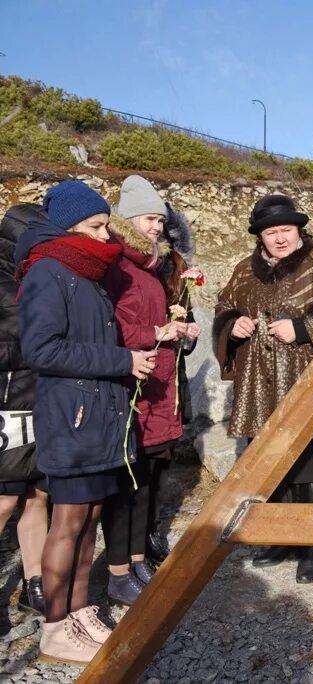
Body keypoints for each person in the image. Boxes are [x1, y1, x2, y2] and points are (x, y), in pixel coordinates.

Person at [16, 180, 157, 663]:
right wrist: (122, 361)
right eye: (97, 227)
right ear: (70, 225)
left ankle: (79, 613)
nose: (105, 237)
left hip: (100, 417)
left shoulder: (87, 275)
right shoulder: (47, 273)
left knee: (90, 519)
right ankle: (55, 628)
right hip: (71, 418)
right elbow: (41, 349)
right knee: (67, 523)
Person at [213, 194, 313, 585]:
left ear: (299, 231)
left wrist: (304, 328)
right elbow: (223, 304)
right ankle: (279, 538)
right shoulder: (245, 270)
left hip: (310, 380)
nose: (279, 238)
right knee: (270, 464)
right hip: (259, 381)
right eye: (271, 232)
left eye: (286, 231)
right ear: (260, 236)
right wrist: (233, 324)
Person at [100, 175, 200, 606]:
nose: (156, 227)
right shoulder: (119, 266)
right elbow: (113, 326)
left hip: (158, 384)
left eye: (160, 220)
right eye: (148, 219)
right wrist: (161, 328)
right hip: (131, 384)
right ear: (127, 220)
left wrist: (182, 325)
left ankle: (138, 558)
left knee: (144, 478)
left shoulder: (152, 267)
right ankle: (118, 567)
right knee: (125, 481)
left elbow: (154, 323)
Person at [0, 203, 48, 616]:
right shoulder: (4, 276)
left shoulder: (36, 275)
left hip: (42, 397)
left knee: (38, 495)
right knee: (2, 501)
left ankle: (36, 585)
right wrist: (35, 344)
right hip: (8, 402)